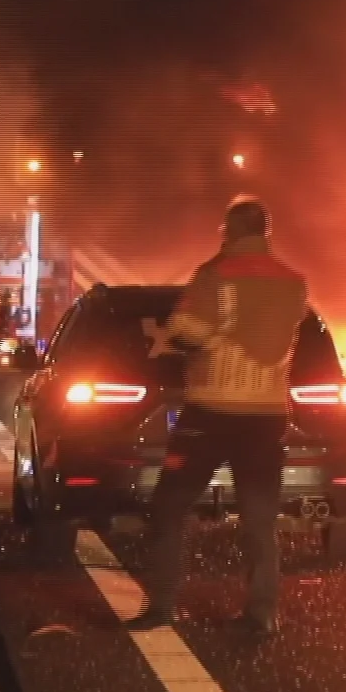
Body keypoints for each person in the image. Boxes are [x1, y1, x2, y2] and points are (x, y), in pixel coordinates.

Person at [129, 197, 309, 636]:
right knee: (259, 519)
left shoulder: (214, 275)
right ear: (265, 231)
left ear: (229, 229)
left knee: (170, 506)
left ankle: (162, 606)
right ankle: (262, 614)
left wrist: (190, 338)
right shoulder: (294, 282)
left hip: (209, 414)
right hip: (266, 416)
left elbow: (187, 331)